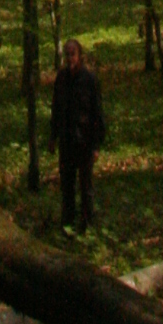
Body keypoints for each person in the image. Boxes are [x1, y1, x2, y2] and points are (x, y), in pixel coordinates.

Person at [49, 36, 106, 233]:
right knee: (67, 186)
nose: (70, 58)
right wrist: (52, 136)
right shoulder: (61, 79)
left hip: (85, 141)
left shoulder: (89, 80)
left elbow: (97, 113)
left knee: (86, 186)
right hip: (66, 141)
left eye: (73, 54)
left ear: (79, 56)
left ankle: (87, 224)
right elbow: (56, 109)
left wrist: (96, 145)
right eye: (67, 55)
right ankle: (67, 224)